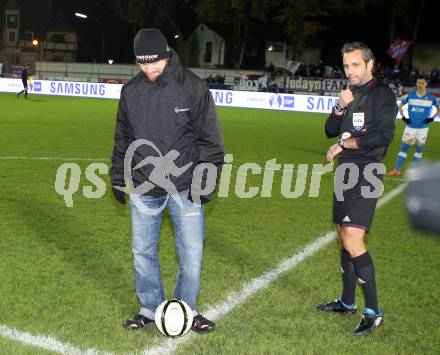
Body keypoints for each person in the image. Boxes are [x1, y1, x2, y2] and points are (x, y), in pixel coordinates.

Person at [110, 28, 224, 333]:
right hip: (144, 187)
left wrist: (205, 182)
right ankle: (149, 308)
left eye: (154, 62)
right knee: (142, 251)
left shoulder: (193, 88)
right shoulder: (131, 92)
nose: (149, 69)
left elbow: (211, 141)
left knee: (192, 252)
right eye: (142, 64)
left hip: (185, 186)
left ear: (166, 54)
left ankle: (187, 309)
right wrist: (118, 177)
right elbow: (123, 138)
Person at [318, 42, 397, 336]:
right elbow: (329, 129)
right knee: (342, 234)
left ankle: (374, 312)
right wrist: (339, 106)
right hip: (346, 171)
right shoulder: (350, 95)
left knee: (353, 238)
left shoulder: (382, 95)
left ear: (370, 64)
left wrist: (344, 144)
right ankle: (347, 301)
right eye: (346, 66)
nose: (350, 71)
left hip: (368, 170)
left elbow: (383, 136)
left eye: (355, 65)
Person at [388, 75, 439, 176]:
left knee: (419, 149)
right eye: (418, 83)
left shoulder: (431, 98)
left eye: (422, 83)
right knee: (404, 147)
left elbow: (439, 108)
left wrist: (432, 118)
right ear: (416, 84)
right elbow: (400, 105)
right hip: (411, 126)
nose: (420, 85)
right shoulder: (410, 95)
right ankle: (397, 170)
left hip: (423, 128)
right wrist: (403, 117)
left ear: (426, 84)